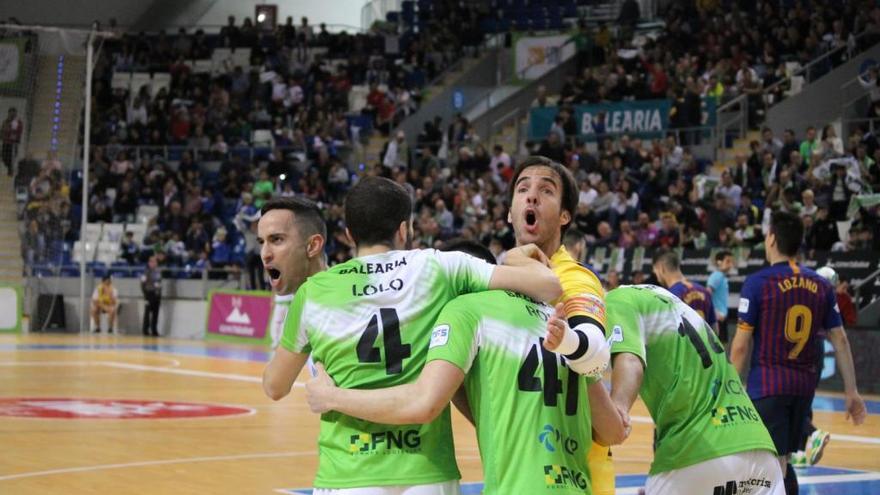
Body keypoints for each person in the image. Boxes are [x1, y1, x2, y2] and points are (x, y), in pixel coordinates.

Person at [262, 176, 562, 494]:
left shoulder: (313, 293)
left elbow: (275, 386)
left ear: (349, 234)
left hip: (348, 473)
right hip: (428, 471)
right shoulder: (439, 266)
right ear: (405, 229)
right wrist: (516, 257)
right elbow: (549, 286)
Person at [305, 240, 613, 494]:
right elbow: (613, 429)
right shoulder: (557, 325)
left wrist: (331, 398)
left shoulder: (466, 310)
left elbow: (423, 403)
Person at [506, 156, 625, 495]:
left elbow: (594, 353)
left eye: (546, 190)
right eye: (523, 188)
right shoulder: (497, 282)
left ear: (564, 216)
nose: (531, 196)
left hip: (578, 477)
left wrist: (570, 341)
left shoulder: (574, 277)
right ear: (509, 210)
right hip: (523, 471)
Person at [731, 211, 867, 495]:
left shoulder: (758, 283)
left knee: (762, 467)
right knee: (782, 462)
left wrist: (729, 387)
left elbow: (741, 345)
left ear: (771, 239)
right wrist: (852, 391)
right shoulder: (820, 285)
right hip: (804, 388)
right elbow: (840, 339)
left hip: (768, 386)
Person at [604, 284, 783, 494]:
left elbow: (631, 361)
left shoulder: (614, 301)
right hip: (760, 449)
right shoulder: (666, 299)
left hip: (697, 451)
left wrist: (617, 411)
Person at [257, 197, 327, 348]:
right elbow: (275, 373)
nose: (264, 254)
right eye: (261, 242)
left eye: (277, 240)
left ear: (313, 246)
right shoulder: (304, 303)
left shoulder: (343, 306)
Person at [652, 250, 717, 331]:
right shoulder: (704, 291)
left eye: (655, 272)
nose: (657, 278)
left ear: (661, 268)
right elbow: (715, 329)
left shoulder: (667, 297)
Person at [706, 250, 734, 343]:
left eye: (731, 262)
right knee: (719, 347)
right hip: (718, 318)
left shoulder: (722, 276)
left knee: (723, 346)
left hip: (722, 317)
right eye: (727, 261)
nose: (730, 264)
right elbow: (707, 294)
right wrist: (716, 313)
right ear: (719, 262)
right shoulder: (716, 276)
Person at [140, 256, 162, 337]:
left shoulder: (158, 271)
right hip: (149, 293)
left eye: (155, 262)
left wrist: (159, 292)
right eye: (152, 262)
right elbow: (142, 284)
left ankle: (154, 330)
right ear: (149, 263)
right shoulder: (146, 272)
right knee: (147, 313)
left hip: (157, 294)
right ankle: (145, 330)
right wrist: (145, 295)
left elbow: (159, 282)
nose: (154, 263)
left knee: (156, 313)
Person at [1, 108, 23, 176]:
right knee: (4, 157)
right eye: (10, 113)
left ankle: (10, 171)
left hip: (13, 143)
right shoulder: (5, 121)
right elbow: (2, 130)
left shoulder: (17, 122)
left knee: (11, 158)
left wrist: (9, 132)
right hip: (5, 142)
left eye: (13, 113)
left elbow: (16, 131)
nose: (12, 114)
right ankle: (10, 168)